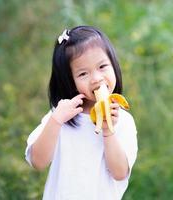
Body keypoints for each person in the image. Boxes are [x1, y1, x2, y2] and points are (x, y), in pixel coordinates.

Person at [25, 25, 138, 200]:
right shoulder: (62, 116)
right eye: (83, 73)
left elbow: (120, 173)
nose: (96, 79)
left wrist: (108, 130)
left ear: (114, 65)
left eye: (102, 66)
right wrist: (55, 121)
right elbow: (38, 162)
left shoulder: (123, 121)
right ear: (70, 81)